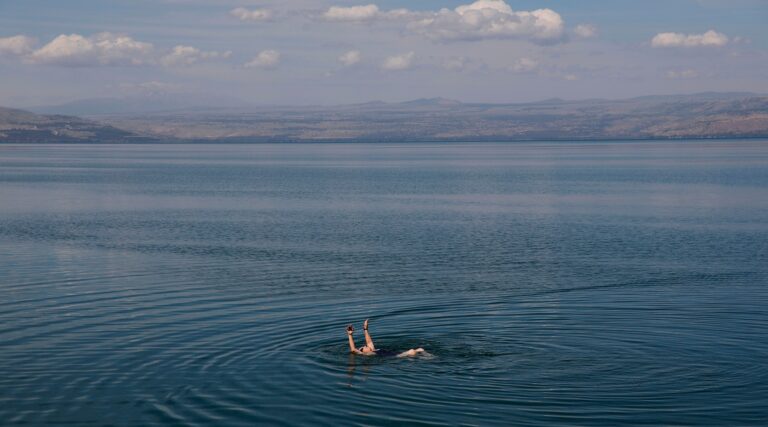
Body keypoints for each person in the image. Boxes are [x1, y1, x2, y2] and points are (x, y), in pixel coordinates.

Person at [346, 319, 427, 357]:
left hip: (396, 353)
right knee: (412, 351)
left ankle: (429, 357)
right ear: (363, 352)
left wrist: (365, 329)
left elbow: (369, 342)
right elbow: (353, 349)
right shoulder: (368, 354)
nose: (365, 346)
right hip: (398, 356)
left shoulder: (373, 349)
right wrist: (350, 335)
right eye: (363, 347)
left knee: (420, 349)